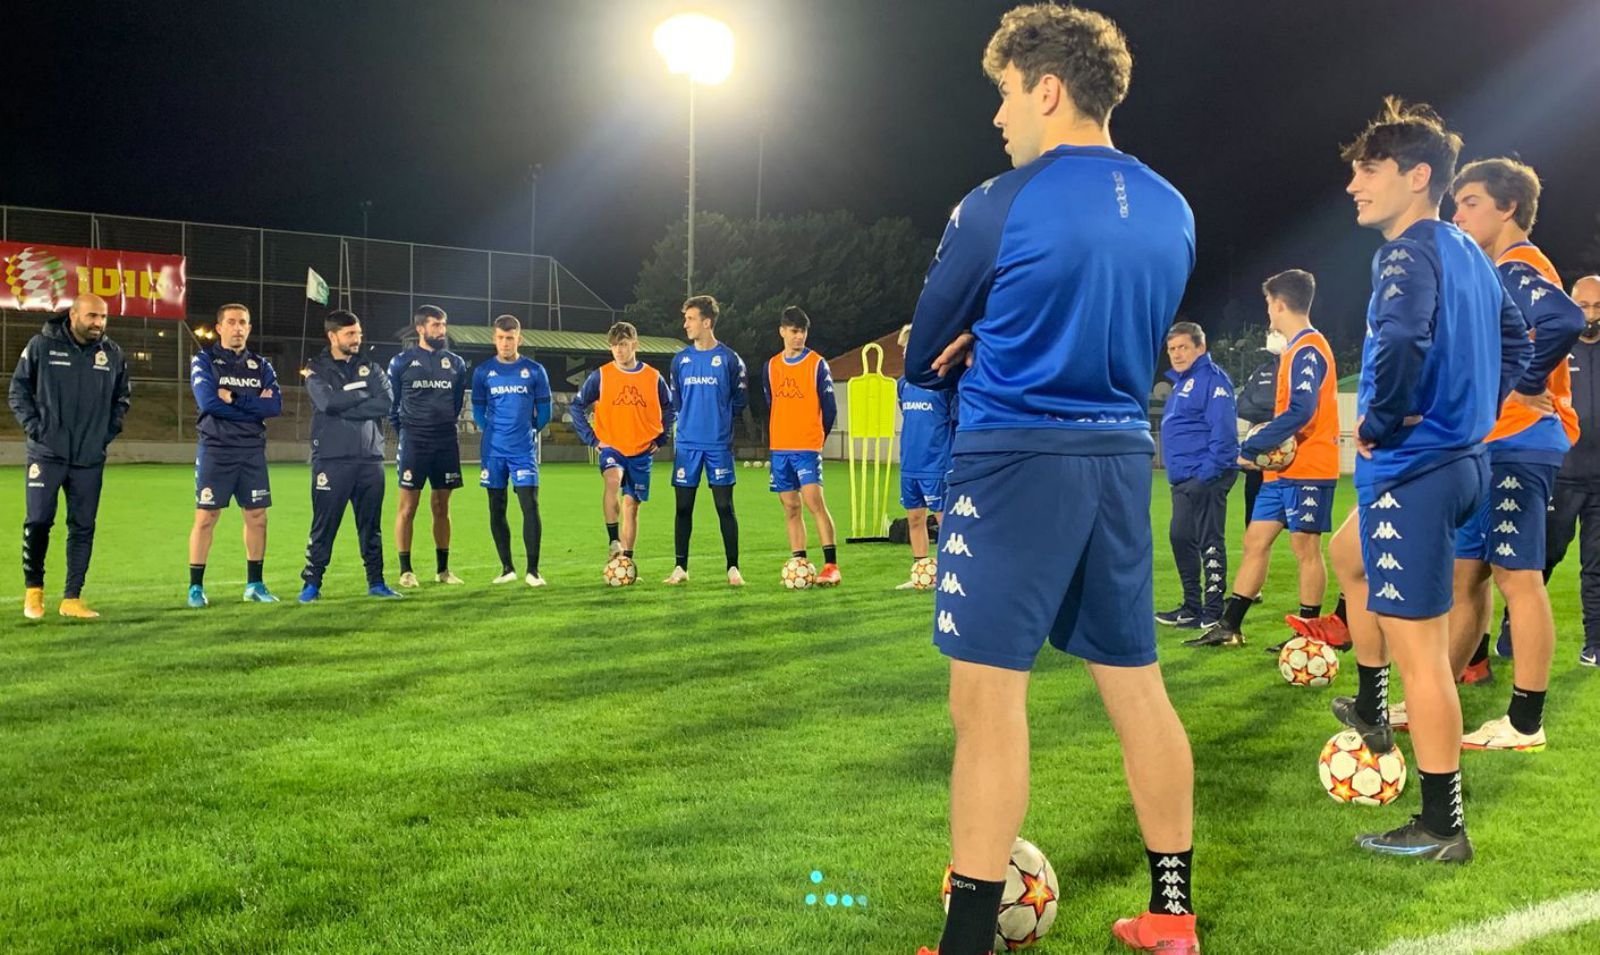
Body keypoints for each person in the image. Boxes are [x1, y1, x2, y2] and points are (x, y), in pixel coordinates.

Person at [905, 5, 1200, 952]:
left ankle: (965, 942)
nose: (998, 119)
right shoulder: (1173, 206)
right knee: (1137, 685)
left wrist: (972, 336)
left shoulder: (999, 201)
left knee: (986, 703)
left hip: (1014, 460)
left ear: (1047, 88)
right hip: (1120, 455)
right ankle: (1171, 915)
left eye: (1004, 94)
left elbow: (921, 349)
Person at [1326, 98, 1530, 863]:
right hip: (1458, 462)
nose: (1353, 183)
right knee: (1350, 558)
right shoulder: (1467, 249)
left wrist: (1382, 417)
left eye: (1368, 169)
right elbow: (1517, 338)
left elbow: (1404, 338)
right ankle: (1374, 710)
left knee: (1422, 650)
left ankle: (1442, 826)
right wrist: (1474, 402)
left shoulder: (1409, 249)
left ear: (1418, 177)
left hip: (1417, 468)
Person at [1440, 157, 1584, 749]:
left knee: (1516, 577)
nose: (1457, 212)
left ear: (1509, 209)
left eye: (1471, 201)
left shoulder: (1518, 263)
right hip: (1494, 443)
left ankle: (1526, 722)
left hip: (1522, 442)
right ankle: (1435, 695)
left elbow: (1565, 317)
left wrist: (1526, 384)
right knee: (1465, 576)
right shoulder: (1496, 268)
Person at [1198, 271, 1342, 652]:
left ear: (1279, 304)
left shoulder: (1308, 348)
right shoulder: (1294, 349)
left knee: (1305, 550)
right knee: (1255, 540)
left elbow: (1302, 410)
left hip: (1309, 467)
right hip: (1281, 471)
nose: (1268, 312)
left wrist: (1254, 444)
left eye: (1268, 304)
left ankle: (1306, 634)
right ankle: (1230, 626)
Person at [9, 293, 131, 620]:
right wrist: (37, 429)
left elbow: (122, 399)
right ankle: (34, 591)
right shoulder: (41, 346)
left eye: (103, 317)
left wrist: (105, 434)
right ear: (74, 314)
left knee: (83, 526)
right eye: (92, 316)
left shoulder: (112, 354)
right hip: (47, 454)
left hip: (89, 458)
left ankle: (72, 598)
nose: (98, 324)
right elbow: (18, 391)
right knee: (38, 521)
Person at [299, 309, 403, 601]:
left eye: (358, 333)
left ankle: (377, 582)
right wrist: (361, 395)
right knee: (324, 525)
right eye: (350, 334)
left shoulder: (370, 366)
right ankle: (312, 583)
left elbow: (385, 403)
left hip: (370, 459)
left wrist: (347, 398)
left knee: (371, 526)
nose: (357, 339)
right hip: (331, 460)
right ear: (333, 336)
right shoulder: (316, 368)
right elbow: (327, 402)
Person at [186, 303, 283, 607]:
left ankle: (254, 584)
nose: (238, 328)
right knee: (206, 517)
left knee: (257, 516)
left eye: (243, 322)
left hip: (252, 450)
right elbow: (209, 404)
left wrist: (236, 399)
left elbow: (274, 407)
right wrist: (253, 406)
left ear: (249, 328)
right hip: (216, 448)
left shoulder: (261, 365)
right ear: (220, 328)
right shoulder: (204, 361)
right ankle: (195, 588)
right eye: (232, 322)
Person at [1156, 321, 1239, 635]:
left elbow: (1224, 431)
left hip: (1205, 475)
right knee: (1180, 538)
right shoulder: (1181, 383)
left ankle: (1214, 610)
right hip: (1183, 479)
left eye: (1183, 347)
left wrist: (1207, 474)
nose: (1176, 354)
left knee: (1209, 540)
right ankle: (1191, 607)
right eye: (1172, 349)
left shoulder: (1212, 380)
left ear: (1200, 348)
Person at [569, 322, 674, 570]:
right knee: (612, 481)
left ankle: (626, 560)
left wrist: (661, 438)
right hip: (612, 447)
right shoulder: (601, 376)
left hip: (640, 450)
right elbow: (577, 406)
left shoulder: (652, 377)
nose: (618, 350)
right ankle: (613, 540)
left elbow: (670, 408)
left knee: (631, 505)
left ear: (635, 345)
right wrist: (592, 439)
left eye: (623, 345)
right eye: (614, 346)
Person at [665, 294, 749, 586]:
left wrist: (719, 421)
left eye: (690, 318)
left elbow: (739, 401)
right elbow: (677, 401)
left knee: (725, 507)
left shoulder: (729, 360)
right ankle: (680, 568)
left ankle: (733, 568)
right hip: (687, 446)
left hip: (718, 446)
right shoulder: (680, 361)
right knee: (683, 508)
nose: (685, 324)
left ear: (707, 322)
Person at [387, 305, 469, 588]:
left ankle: (443, 570)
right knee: (408, 507)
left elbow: (456, 403)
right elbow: (392, 404)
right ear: (420, 328)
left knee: (442, 506)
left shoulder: (455, 363)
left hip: (445, 441)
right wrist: (407, 433)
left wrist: (442, 425)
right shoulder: (402, 362)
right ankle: (406, 570)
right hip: (414, 441)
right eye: (435, 325)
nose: (441, 330)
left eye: (443, 324)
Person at [1543, 274, 1600, 668]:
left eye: (1598, 307)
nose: (1592, 314)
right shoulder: (1555, 352)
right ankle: (1515, 628)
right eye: (1584, 306)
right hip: (1560, 478)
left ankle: (1594, 643)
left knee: (1596, 567)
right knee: (1542, 559)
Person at [470, 315, 552, 586]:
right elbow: (479, 414)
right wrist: (494, 434)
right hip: (493, 453)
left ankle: (533, 570)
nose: (506, 343)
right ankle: (507, 568)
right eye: (501, 338)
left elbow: (545, 412)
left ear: (520, 338)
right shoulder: (483, 372)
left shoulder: (535, 370)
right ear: (495, 339)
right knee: (497, 508)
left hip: (523, 452)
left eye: (510, 338)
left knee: (530, 505)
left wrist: (528, 431)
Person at [764, 306, 842, 586]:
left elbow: (830, 408)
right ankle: (799, 560)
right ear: (782, 331)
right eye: (794, 331)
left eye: (803, 332)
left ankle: (831, 566)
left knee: (813, 502)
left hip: (807, 447)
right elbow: (771, 402)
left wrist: (817, 438)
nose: (799, 337)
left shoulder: (818, 364)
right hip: (780, 448)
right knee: (790, 506)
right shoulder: (771, 366)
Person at [895, 323, 957, 590]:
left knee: (945, 522)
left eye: (912, 347)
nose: (907, 353)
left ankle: (950, 575)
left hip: (936, 465)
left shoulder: (943, 384)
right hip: (910, 464)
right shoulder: (902, 385)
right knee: (914, 519)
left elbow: (953, 421)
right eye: (905, 349)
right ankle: (921, 573)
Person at [1236, 331, 1283, 524]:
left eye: (1277, 332)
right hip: (1257, 457)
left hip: (1291, 457)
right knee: (1253, 522)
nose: (1272, 335)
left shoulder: (1301, 368)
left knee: (1301, 532)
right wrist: (1274, 414)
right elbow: (1241, 406)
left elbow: (1301, 408)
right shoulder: (1261, 371)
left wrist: (1270, 411)